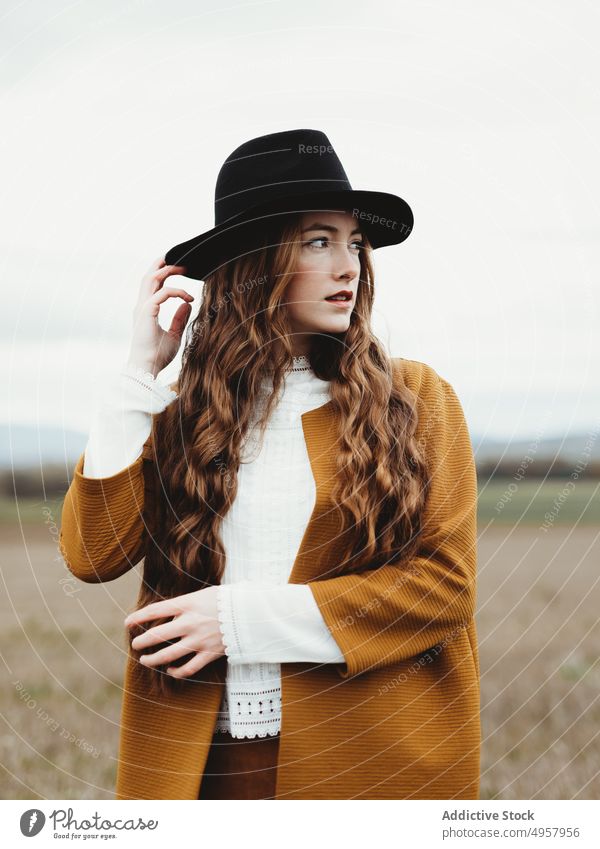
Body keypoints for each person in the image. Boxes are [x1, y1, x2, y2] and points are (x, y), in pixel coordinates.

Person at [59, 129, 480, 800]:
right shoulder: (175, 414)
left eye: (354, 243)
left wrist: (238, 621)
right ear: (256, 260)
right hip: (204, 772)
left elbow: (443, 589)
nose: (349, 265)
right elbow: (93, 554)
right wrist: (138, 376)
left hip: (368, 764)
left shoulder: (418, 398)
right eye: (318, 241)